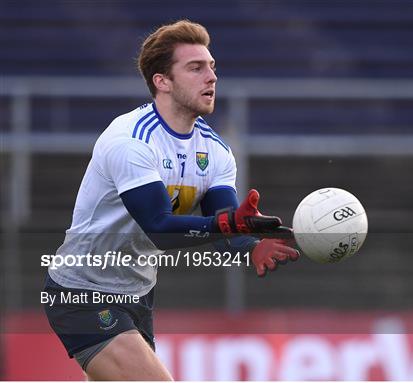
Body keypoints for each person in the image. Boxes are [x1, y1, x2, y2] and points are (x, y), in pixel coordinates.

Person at [43, 19, 299, 381]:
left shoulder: (216, 151)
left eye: (212, 67)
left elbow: (222, 221)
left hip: (138, 297)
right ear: (161, 81)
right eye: (195, 68)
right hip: (82, 291)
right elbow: (160, 229)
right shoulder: (130, 141)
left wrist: (247, 243)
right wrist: (228, 226)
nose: (211, 77)